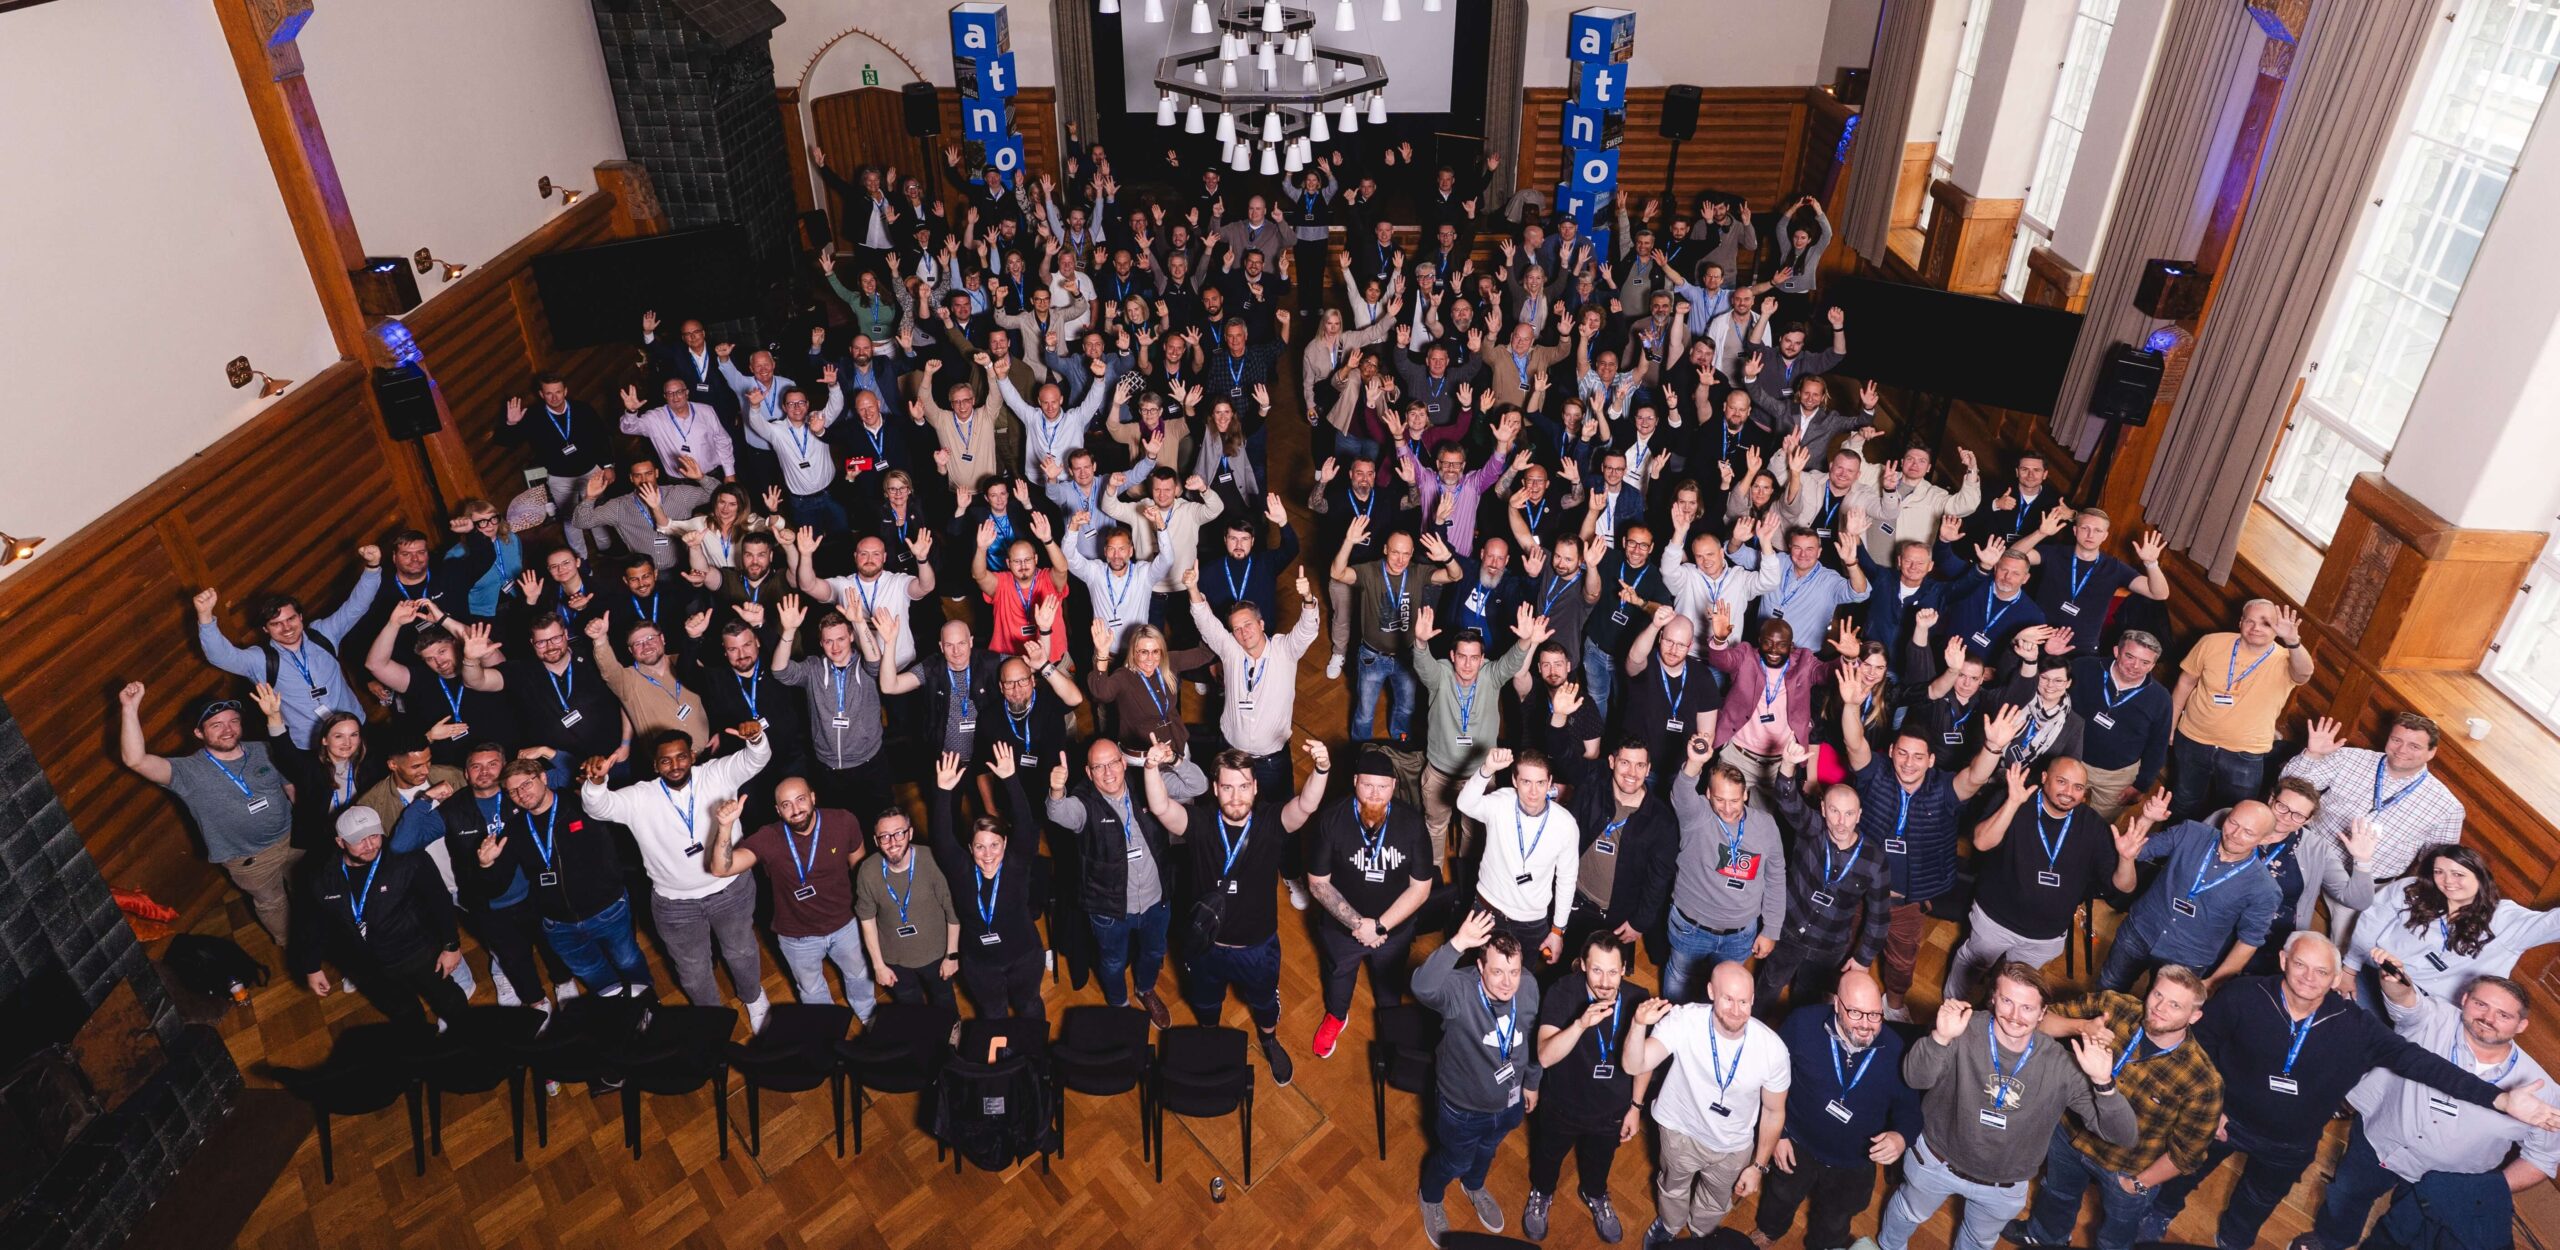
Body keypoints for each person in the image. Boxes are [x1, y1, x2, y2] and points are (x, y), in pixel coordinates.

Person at [2138, 932, 2560, 1249]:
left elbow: (2426, 1066)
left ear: (2337, 976)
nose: (2309, 978)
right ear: (2284, 959)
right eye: (2301, 965)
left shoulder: (2356, 1026)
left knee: (2258, 1199)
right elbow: (2202, 1049)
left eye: (2322, 971)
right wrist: (2209, 1108)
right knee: (2185, 1170)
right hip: (2222, 1118)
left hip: (2289, 1143)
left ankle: (2233, 1241)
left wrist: (2500, 1098)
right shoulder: (2244, 995)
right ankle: (2160, 1212)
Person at [1876, 962, 2138, 1250]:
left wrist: (2103, 1083)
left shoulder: (2061, 1066)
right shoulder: (1962, 1029)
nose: (2015, 1016)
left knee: (1978, 1241)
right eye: (2007, 1001)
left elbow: (2124, 1136)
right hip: (1936, 1161)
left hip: (2002, 1188)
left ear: (2043, 1013)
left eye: (2027, 1007)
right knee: (1907, 1212)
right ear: (1993, 999)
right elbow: (1915, 1078)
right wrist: (1940, 1038)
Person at [2312, 967, 2560, 1250]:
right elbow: (2404, 1000)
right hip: (2380, 1140)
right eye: (2481, 1004)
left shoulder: (2545, 1091)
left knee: (2405, 1236)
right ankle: (2330, 1240)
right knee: (2345, 1195)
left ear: (2520, 1026)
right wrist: (2392, 981)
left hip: (2447, 1180)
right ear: (2464, 1000)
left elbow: (2541, 1158)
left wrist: (2478, 1192)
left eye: (2504, 1015)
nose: (2488, 1019)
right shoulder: (2433, 1018)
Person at [1145, 742, 1332, 1085]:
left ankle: (1269, 1039)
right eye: (1227, 787)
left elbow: (1306, 805)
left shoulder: (1270, 823)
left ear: (1255, 787)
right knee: (1205, 1003)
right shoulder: (1200, 823)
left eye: (1243, 786)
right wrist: (1150, 768)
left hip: (1257, 947)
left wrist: (1320, 769)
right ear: (1215, 789)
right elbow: (1160, 806)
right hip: (1206, 947)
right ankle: (1211, 1037)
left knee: (1264, 1004)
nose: (1235, 797)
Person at [1833, 667, 2014, 1018]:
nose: (1909, 763)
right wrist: (1852, 706)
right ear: (1891, 752)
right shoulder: (1875, 775)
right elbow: (1855, 744)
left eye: (1918, 757)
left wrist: (1992, 746)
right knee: (1842, 942)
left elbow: (1976, 777)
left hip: (1905, 902)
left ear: (1931, 760)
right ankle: (1839, 995)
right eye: (1902, 754)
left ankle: (1895, 1005)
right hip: (1855, 887)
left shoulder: (1944, 789)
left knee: (1902, 958)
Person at [578, 725, 775, 1030]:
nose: (675, 765)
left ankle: (753, 997)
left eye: (681, 757)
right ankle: (712, 1018)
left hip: (730, 890)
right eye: (666, 761)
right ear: (655, 765)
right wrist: (597, 782)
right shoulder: (640, 797)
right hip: (675, 904)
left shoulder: (717, 773)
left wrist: (756, 738)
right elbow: (599, 807)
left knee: (742, 950)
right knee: (693, 970)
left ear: (692, 756)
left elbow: (756, 758)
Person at [2013, 968, 2224, 1250]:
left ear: (2194, 1016)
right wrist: (2081, 1026)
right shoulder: (2115, 1007)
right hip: (2071, 1134)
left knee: (2115, 1235)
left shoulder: (2202, 1081)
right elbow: (2038, 1022)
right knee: (2057, 1193)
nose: (2160, 1008)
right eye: (2158, 995)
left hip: (2127, 1167)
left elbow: (2188, 1154)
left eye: (2175, 1005)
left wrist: (2138, 1184)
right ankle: (2045, 1236)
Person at [117, 683, 299, 951]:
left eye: (233, 721)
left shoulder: (263, 748)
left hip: (292, 837)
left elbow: (290, 787)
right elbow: (136, 761)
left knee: (310, 888)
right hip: (250, 859)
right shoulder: (187, 771)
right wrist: (130, 708)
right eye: (216, 725)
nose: (228, 729)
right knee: (273, 904)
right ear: (198, 732)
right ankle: (293, 948)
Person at [1941, 759, 2140, 1002]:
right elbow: (1982, 842)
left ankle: (1989, 1016)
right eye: (2062, 782)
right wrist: (2013, 803)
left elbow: (2125, 887)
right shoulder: (2016, 801)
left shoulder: (2093, 826)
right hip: (1995, 921)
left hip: (2044, 938)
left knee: (2015, 986)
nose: (2069, 793)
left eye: (2078, 787)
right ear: (2044, 777)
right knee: (1971, 967)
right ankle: (1950, 1008)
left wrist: (2127, 859)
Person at [1623, 961, 1792, 1247]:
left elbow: (1774, 1112)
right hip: (1680, 1130)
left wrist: (1758, 1167)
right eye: (1728, 998)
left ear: (1753, 1000)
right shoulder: (1683, 1020)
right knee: (1673, 1186)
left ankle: (1702, 1232)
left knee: (1716, 1200)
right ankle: (1669, 1224)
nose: (1736, 1011)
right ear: (1711, 991)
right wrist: (1639, 1025)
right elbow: (1634, 1063)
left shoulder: (1772, 1049)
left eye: (1743, 1001)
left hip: (1733, 1146)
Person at [1046, 737, 1209, 1028]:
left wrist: (1173, 761)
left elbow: (1198, 786)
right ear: (1088, 772)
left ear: (1123, 762)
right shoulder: (1085, 803)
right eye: (1099, 767)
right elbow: (1059, 813)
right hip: (1109, 909)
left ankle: (1145, 989)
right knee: (1111, 962)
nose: (1108, 773)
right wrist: (1057, 791)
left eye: (1112, 763)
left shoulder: (1146, 783)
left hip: (1156, 899)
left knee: (1155, 951)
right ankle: (1119, 1004)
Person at [1756, 971, 1921, 1250]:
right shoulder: (1802, 1024)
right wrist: (1779, 1133)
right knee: (1780, 1194)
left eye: (1875, 1015)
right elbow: (1771, 1077)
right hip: (1797, 1142)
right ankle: (1769, 1231)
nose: (1866, 1026)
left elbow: (1911, 1110)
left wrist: (1901, 1136)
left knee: (1836, 1217)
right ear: (1836, 1005)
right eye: (1856, 1013)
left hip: (1853, 1161)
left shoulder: (1896, 1050)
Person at [391, 741, 559, 1010]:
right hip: (490, 906)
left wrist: (549, 753)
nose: (484, 772)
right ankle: (537, 1003)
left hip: (536, 892)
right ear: (466, 774)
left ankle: (563, 983)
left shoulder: (520, 794)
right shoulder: (451, 809)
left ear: (504, 768)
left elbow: (566, 774)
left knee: (554, 945)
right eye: (476, 766)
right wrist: (425, 799)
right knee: (514, 960)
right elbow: (401, 844)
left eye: (493, 765)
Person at [1413, 909, 1546, 1247]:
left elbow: (1532, 1038)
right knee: (1454, 1158)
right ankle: (1430, 1196)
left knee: (1488, 1150)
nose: (1507, 982)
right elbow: (1422, 987)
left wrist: (1532, 1080)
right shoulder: (1459, 990)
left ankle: (1473, 1186)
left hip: (1509, 1102)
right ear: (1480, 967)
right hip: (1462, 1107)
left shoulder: (1528, 986)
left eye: (1513, 971)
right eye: (1498, 971)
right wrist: (1457, 943)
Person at [477, 757, 653, 998]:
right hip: (558, 925)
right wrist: (487, 865)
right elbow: (497, 886)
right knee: (593, 974)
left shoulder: (580, 804)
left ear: (543, 778)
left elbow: (622, 831)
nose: (521, 794)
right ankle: (621, 1013)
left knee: (628, 963)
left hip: (607, 911)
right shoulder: (515, 829)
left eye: (526, 784)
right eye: (513, 791)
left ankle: (647, 1008)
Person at [705, 778, 876, 1021]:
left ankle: (868, 1015)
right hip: (797, 937)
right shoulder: (768, 838)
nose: (796, 810)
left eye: (801, 799)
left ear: (813, 797)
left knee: (859, 975)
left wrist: (868, 917)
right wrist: (724, 827)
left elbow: (861, 872)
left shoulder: (843, 821)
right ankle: (827, 1029)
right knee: (811, 990)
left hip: (845, 925)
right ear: (778, 810)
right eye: (786, 804)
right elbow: (721, 869)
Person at [2283, 712, 2465, 940]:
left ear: (2432, 752)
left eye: (2414, 746)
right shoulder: (2348, 758)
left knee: (2345, 947)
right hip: (2309, 856)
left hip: (2363, 882)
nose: (2401, 750)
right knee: (2278, 919)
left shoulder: (2447, 807)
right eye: (2396, 740)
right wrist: (2312, 755)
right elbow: (2290, 790)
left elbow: (2438, 864)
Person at [1525, 931, 1656, 1243]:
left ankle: (1595, 1194)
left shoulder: (1639, 997)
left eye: (1613, 972)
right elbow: (1544, 1055)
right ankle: (1542, 1193)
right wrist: (1580, 1025)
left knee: (1600, 1163)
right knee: (1547, 1157)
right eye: (1597, 970)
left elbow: (1644, 1061)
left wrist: (1636, 1107)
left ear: (1624, 969)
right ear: (1582, 965)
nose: (1605, 982)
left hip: (1611, 1111)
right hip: (1562, 1105)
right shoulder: (1562, 991)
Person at [1305, 750, 1436, 1060]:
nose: (1375, 795)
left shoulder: (1412, 824)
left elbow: (1421, 889)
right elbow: (1317, 883)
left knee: (1389, 984)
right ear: (1355, 782)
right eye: (1367, 786)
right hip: (1341, 929)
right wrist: (1358, 925)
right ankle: (1337, 1016)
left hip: (1393, 930)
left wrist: (1378, 926)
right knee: (1338, 975)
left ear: (1394, 785)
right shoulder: (1331, 819)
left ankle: (1391, 1022)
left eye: (1382, 787)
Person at [289, 807, 469, 1027]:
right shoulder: (320, 876)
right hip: (367, 966)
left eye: (374, 835)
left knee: (450, 1002)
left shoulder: (408, 860)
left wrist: (451, 945)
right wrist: (312, 967)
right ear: (340, 842)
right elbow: (313, 923)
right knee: (403, 1013)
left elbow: (439, 901)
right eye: (359, 839)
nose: (370, 845)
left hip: (416, 952)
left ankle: (466, 1037)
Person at [191, 550, 383, 748]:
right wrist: (205, 617)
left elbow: (356, 606)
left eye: (291, 619)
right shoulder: (261, 660)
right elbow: (221, 656)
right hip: (312, 745)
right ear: (266, 629)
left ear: (300, 617)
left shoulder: (323, 634)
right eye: (276, 624)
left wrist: (372, 567)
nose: (287, 628)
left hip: (356, 729)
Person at [2099, 793, 2285, 992]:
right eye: (2233, 823)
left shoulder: (2264, 889)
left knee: (2160, 1017)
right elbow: (2135, 850)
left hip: (2188, 959)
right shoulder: (2191, 832)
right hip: (2139, 930)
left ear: (2265, 839)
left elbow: (2249, 940)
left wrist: (2215, 981)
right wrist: (2147, 820)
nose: (2235, 834)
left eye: (2248, 832)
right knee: (2107, 988)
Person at [1760, 747, 1894, 1014]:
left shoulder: (1874, 860)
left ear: (1859, 815)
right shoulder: (1812, 829)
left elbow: (1879, 917)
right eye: (1834, 811)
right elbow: (1788, 801)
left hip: (1829, 946)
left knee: (1808, 1002)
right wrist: (1787, 765)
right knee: (1768, 986)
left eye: (1848, 814)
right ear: (1822, 808)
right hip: (1789, 931)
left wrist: (1863, 958)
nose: (1841, 822)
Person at [1417, 608, 1552, 871]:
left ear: (1482, 659)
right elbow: (1422, 665)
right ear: (1452, 656)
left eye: (1474, 658)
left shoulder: (1491, 675)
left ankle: (1465, 874)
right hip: (1439, 773)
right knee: (1435, 826)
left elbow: (1510, 664)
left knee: (1474, 831)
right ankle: (1431, 878)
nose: (1468, 664)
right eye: (1462, 657)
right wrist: (1421, 642)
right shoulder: (1440, 675)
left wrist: (1525, 641)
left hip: (1480, 776)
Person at [2342, 843, 2560, 1007]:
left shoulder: (2504, 918)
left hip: (2435, 1009)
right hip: (2378, 979)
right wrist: (2349, 970)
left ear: (2480, 877)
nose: (2448, 881)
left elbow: (2553, 924)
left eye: (2458, 874)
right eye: (2439, 872)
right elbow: (2368, 926)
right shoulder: (2413, 890)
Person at [923, 744, 1048, 1021]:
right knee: (993, 1015)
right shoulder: (961, 871)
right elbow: (942, 839)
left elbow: (1026, 827)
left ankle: (1036, 1059)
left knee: (1030, 1007)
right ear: (970, 848)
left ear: (1005, 844)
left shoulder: (1016, 865)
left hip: (1024, 958)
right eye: (980, 847)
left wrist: (1010, 779)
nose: (988, 854)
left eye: (994, 845)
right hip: (980, 966)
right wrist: (943, 793)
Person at [1662, 745, 1788, 1003]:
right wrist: (1694, 763)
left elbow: (1775, 877)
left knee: (1724, 997)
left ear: (1745, 795)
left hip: (1740, 935)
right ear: (1707, 794)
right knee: (1679, 986)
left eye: (1734, 800)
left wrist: (1772, 929)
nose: (1727, 808)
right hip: (1691, 928)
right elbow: (1682, 792)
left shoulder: (1765, 825)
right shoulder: (1696, 816)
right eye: (1719, 799)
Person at [2166, 599, 2313, 819]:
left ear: (2276, 628)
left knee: (2232, 815)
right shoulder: (2211, 643)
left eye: (2265, 623)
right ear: (2240, 622)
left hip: (2245, 753)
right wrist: (2170, 724)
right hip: (2193, 739)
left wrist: (2293, 641)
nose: (2256, 628)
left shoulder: (2286, 659)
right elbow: (2185, 683)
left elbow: (2304, 673)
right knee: (2182, 803)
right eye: (2250, 621)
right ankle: (2171, 852)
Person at [1459, 748, 1581, 967]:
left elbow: (1567, 879)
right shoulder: (1500, 802)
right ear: (1515, 780)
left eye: (1540, 783)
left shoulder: (1565, 824)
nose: (1534, 792)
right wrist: (1486, 770)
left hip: (1531, 922)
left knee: (1522, 983)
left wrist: (1558, 930)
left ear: (1550, 782)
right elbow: (1464, 804)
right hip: (1487, 910)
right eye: (1526, 782)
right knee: (1478, 975)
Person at [853, 806, 961, 1009]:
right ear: (876, 841)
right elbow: (867, 921)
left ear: (910, 832)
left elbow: (953, 913)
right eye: (884, 836)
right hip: (894, 962)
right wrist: (878, 966)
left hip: (937, 956)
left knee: (945, 1005)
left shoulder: (932, 860)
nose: (893, 842)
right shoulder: (867, 871)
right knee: (911, 1012)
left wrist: (951, 956)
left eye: (899, 833)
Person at [2066, 631, 2174, 822]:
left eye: (2145, 662)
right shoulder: (2084, 668)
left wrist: (2141, 785)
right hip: (2071, 758)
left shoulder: (2160, 698)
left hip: (2117, 776)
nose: (2135, 666)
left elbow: (2157, 746)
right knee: (2054, 807)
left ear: (2153, 665)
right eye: (2130, 656)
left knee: (2098, 826)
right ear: (2117, 651)